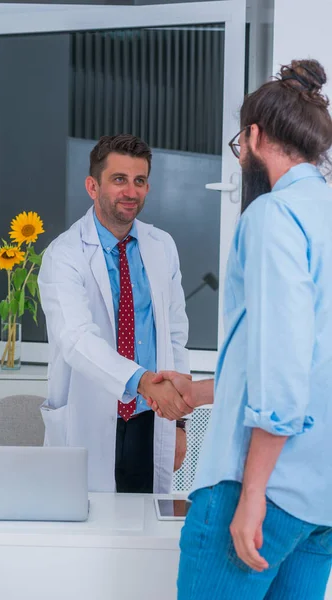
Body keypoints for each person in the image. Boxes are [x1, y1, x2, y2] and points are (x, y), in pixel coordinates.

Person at [168, 58, 332, 599]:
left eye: (240, 146)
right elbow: (312, 359)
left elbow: (282, 362)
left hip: (262, 487)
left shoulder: (273, 216)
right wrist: (203, 391)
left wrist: (254, 491)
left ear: (256, 137)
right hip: (321, 501)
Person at [38, 134, 196, 494]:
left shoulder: (162, 247)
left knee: (143, 533)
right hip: (89, 414)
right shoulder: (64, 255)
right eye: (119, 179)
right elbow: (76, 339)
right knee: (86, 532)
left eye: (139, 181)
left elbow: (175, 336)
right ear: (92, 186)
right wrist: (138, 379)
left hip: (150, 417)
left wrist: (180, 425)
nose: (131, 191)